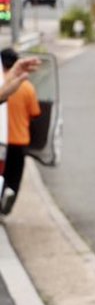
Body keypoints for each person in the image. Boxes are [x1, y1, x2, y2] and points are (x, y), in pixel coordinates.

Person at [1, 48, 41, 215]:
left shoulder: (3, 83)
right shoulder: (26, 87)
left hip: (2, 141)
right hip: (19, 140)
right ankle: (5, 209)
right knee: (13, 179)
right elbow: (35, 113)